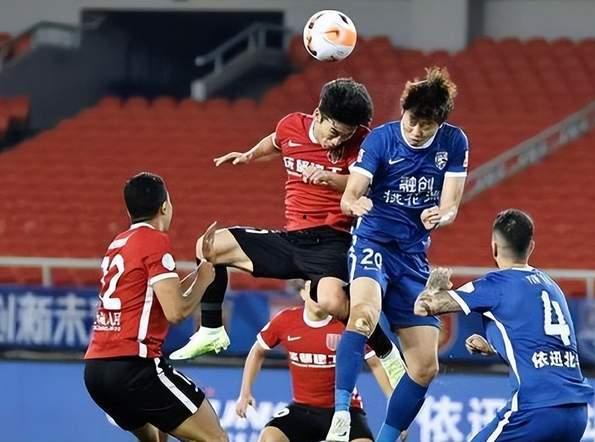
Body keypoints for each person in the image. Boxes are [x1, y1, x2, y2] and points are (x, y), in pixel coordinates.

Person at [170, 78, 406, 387]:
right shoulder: (291, 125)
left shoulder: (362, 142)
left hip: (331, 239)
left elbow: (363, 184)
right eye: (334, 132)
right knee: (209, 247)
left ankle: (387, 353)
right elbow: (276, 141)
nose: (337, 141)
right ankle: (212, 330)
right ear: (318, 114)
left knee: (332, 302)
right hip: (291, 239)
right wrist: (250, 154)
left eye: (345, 135)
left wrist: (328, 178)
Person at [327, 67, 469, 442]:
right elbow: (350, 193)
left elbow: (451, 204)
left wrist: (442, 215)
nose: (417, 130)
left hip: (412, 259)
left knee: (425, 367)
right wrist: (354, 202)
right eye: (412, 120)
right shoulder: (382, 140)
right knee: (362, 316)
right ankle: (340, 415)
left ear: (439, 123)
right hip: (373, 243)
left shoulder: (454, 142)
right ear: (403, 112)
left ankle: (388, 438)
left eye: (426, 125)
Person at [414, 209, 594, 441]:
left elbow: (423, 308)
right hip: (577, 414)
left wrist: (433, 287)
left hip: (536, 410)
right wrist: (493, 347)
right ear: (531, 247)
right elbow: (543, 342)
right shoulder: (551, 286)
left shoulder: (494, 285)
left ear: (494, 248)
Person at [84, 172, 227, 442]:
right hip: (134, 366)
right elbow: (176, 311)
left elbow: (157, 295)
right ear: (164, 207)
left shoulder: (119, 242)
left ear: (129, 211)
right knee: (215, 438)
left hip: (96, 371)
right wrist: (204, 280)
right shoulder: (154, 240)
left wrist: (200, 271)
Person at [235, 280, 394, 442]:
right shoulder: (285, 321)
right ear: (303, 293)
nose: (319, 295)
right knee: (269, 438)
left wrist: (392, 400)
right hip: (303, 409)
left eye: (323, 290)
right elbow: (257, 351)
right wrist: (245, 393)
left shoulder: (348, 324)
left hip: (346, 410)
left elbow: (375, 363)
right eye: (314, 289)